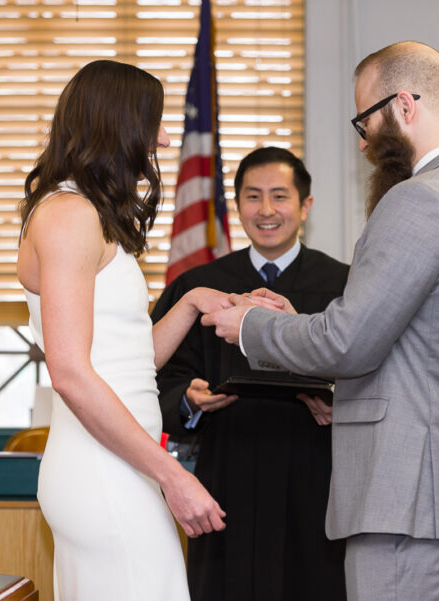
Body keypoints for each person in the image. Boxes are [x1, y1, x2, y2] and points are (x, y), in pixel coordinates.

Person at [202, 41, 439, 601]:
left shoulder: (419, 200)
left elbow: (349, 345)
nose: (362, 141)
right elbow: (411, 341)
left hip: (409, 504)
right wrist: (302, 321)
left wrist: (252, 325)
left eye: (363, 119)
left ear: (404, 105)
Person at [16, 59, 228, 601]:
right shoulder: (68, 215)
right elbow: (69, 372)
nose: (162, 136)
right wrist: (175, 476)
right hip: (102, 472)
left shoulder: (83, 212)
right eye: (153, 121)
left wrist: (191, 304)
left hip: (117, 466)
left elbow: (126, 363)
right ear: (119, 123)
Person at [152, 147, 349, 601]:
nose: (265, 210)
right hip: (228, 474)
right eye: (252, 196)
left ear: (305, 206)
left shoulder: (343, 285)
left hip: (315, 474)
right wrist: (189, 399)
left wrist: (337, 396)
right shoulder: (198, 286)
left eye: (279, 196)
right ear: (236, 204)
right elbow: (157, 376)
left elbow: (374, 367)